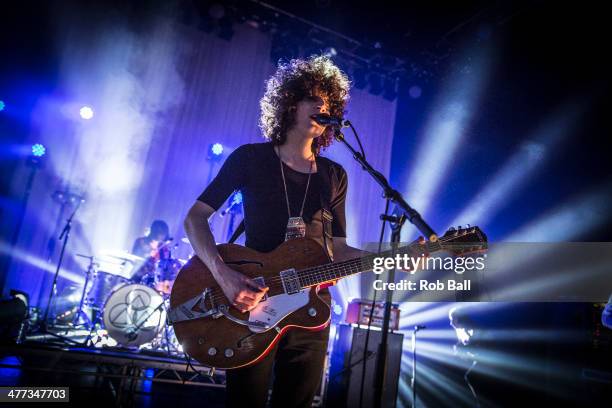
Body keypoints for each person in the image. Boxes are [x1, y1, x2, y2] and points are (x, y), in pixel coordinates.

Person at [184, 55, 366, 408]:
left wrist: (398, 257)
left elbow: (339, 252)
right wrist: (224, 277)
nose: (321, 105)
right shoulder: (250, 158)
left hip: (310, 310)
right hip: (252, 302)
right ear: (288, 103)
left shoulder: (334, 175)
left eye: (327, 100)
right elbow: (195, 219)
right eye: (312, 97)